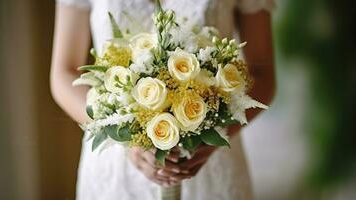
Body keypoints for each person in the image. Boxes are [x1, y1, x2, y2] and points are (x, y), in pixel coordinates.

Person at [50, 0, 275, 199]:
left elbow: (263, 77)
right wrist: (123, 136)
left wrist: (215, 136)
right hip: (115, 173)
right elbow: (64, 73)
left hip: (211, 167)